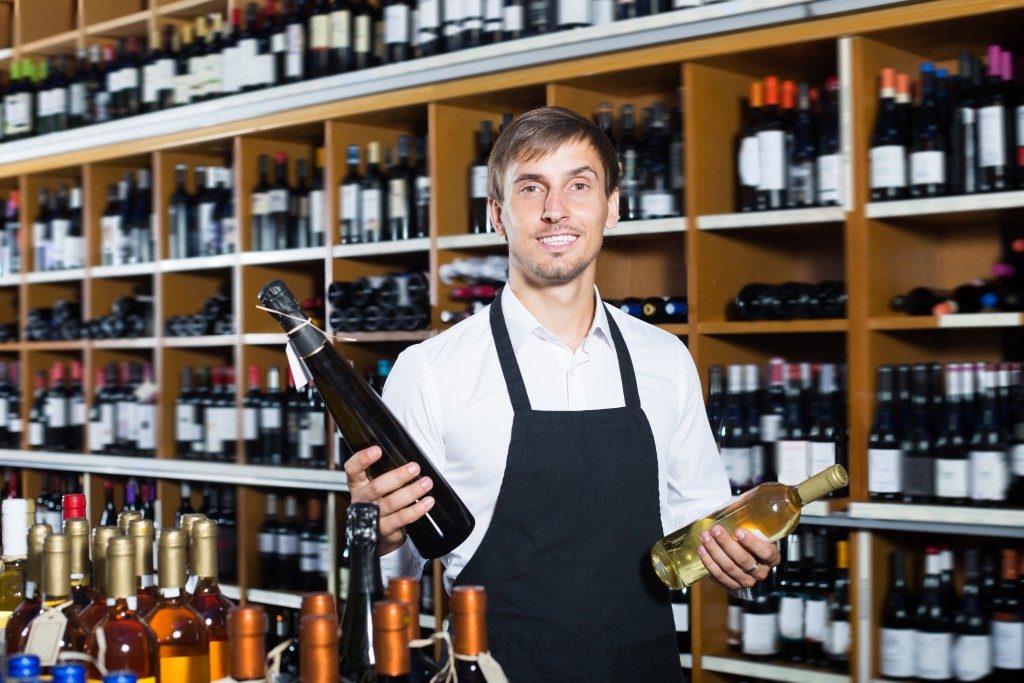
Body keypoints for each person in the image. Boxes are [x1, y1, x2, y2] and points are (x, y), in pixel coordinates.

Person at [344, 106, 780, 681]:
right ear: (498, 215)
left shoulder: (665, 360)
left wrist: (737, 555)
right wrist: (371, 530)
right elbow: (392, 576)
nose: (556, 210)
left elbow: (699, 521)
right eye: (531, 188)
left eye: (579, 185)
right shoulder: (428, 372)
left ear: (612, 207)